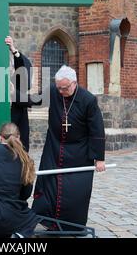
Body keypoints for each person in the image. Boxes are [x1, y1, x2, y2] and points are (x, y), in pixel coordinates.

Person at [32, 65, 106, 230]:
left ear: (74, 83)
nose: (60, 92)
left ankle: (72, 225)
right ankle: (49, 221)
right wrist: (15, 96)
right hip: (54, 147)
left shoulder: (88, 100)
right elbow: (34, 100)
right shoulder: (53, 90)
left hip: (79, 151)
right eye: (58, 87)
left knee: (76, 190)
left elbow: (97, 129)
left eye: (64, 88)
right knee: (48, 184)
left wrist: (99, 158)